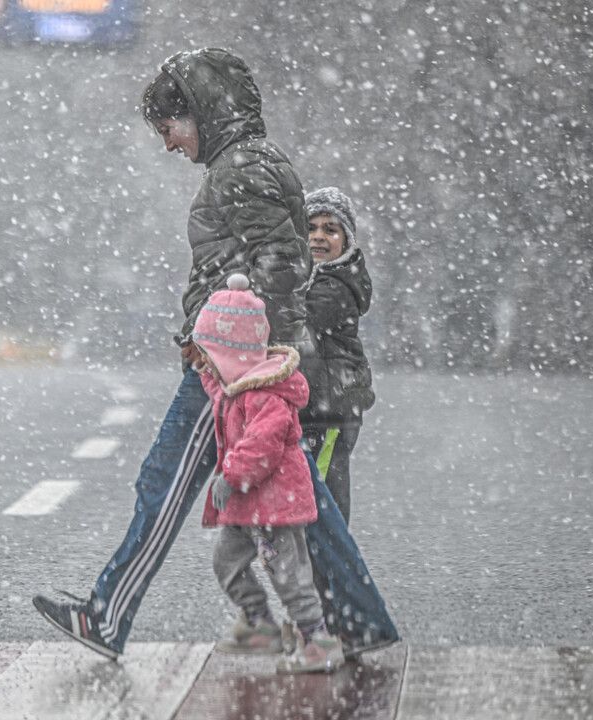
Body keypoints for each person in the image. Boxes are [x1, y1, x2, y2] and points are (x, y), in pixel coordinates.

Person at [31, 47, 312, 660]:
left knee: (165, 484)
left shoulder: (240, 169)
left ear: (201, 110)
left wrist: (238, 346)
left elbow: (283, 268)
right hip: (243, 366)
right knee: (298, 500)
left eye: (169, 128)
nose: (168, 144)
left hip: (233, 373)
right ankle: (349, 621)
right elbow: (269, 266)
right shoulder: (246, 164)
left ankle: (107, 617)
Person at [196, 274, 345, 673]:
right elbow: (216, 387)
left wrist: (229, 477)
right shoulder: (234, 387)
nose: (207, 362)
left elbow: (261, 448)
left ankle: (318, 639)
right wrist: (205, 367)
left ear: (231, 354)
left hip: (275, 504)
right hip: (248, 507)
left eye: (211, 353)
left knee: (289, 575)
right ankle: (259, 622)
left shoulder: (266, 396)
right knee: (227, 562)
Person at [298, 187, 374, 524]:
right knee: (309, 494)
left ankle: (335, 572)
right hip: (314, 408)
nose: (318, 237)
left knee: (323, 501)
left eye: (330, 229)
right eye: (311, 228)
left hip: (330, 410)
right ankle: (317, 569)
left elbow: (300, 321)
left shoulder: (336, 286)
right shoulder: (313, 277)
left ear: (347, 239)